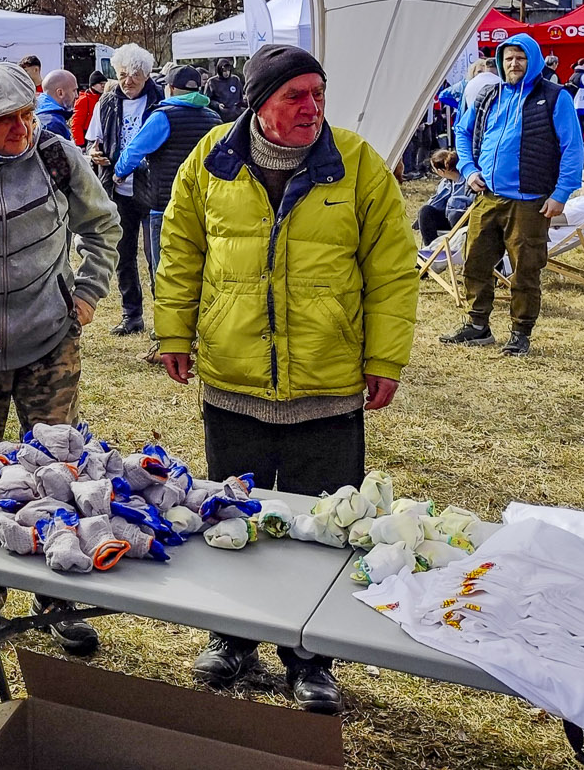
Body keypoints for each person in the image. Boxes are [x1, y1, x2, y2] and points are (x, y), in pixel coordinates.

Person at [153, 43, 416, 715]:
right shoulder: (211, 159)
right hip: (233, 380)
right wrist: (174, 333)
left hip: (325, 388)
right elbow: (180, 250)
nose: (312, 107)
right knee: (231, 516)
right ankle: (232, 637)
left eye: (318, 93)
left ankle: (311, 659)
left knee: (325, 527)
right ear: (257, 101)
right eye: (295, 95)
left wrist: (385, 357)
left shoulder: (356, 163)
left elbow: (391, 266)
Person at [0, 62, 116, 657]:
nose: (20, 127)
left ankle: (57, 596)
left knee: (58, 469)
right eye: (4, 118)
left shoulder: (59, 158)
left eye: (27, 114)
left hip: (49, 341)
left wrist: (86, 294)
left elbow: (104, 227)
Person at [441, 32, 583, 356]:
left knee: (525, 269)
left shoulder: (554, 96)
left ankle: (520, 332)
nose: (514, 64)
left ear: (532, 60)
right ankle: (477, 326)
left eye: (520, 58)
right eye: (508, 58)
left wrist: (561, 193)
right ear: (501, 62)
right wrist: (468, 169)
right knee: (475, 261)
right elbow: (462, 131)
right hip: (487, 196)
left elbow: (573, 148)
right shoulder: (491, 94)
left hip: (530, 200)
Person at [112, 64, 223, 282]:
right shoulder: (214, 118)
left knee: (166, 275)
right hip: (205, 206)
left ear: (170, 88)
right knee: (199, 272)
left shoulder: (163, 116)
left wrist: (118, 173)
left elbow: (134, 151)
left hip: (166, 205)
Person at [85, 44, 163, 337]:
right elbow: (95, 141)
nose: (127, 81)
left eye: (134, 75)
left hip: (152, 189)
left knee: (156, 257)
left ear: (146, 75)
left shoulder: (160, 101)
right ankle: (132, 316)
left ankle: (163, 320)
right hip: (118, 190)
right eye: (122, 75)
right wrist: (96, 153)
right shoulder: (105, 102)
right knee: (123, 254)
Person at [414, 149, 473, 248]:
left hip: (463, 221)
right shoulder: (445, 183)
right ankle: (432, 250)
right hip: (447, 218)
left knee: (455, 211)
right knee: (425, 211)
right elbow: (436, 203)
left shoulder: (469, 181)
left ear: (441, 171)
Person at [35, 68, 78, 136]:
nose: (76, 96)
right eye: (74, 91)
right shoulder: (52, 125)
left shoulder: (36, 113)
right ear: (60, 93)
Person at [206, 57, 245, 123]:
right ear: (219, 70)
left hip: (236, 115)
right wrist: (217, 105)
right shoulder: (212, 82)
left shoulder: (235, 79)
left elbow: (241, 97)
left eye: (228, 71)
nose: (227, 73)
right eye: (224, 71)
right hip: (220, 116)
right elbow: (207, 100)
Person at [72, 71, 105, 147]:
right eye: (101, 84)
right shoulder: (83, 100)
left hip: (98, 137)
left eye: (104, 84)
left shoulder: (103, 98)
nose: (103, 86)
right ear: (93, 85)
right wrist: (80, 144)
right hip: (86, 138)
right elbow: (76, 124)